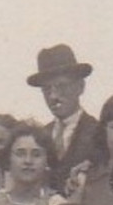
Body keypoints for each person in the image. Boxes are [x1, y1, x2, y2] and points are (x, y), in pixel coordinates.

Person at [27, 44, 99, 193]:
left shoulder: (99, 133)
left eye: (61, 86)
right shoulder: (40, 136)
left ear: (80, 87)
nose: (53, 96)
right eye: (47, 89)